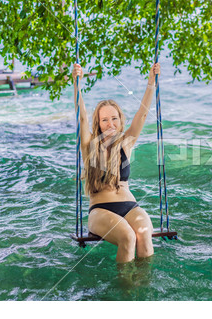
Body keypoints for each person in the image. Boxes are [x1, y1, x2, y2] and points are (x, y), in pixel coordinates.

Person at [72, 63, 160, 263]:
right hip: (101, 210)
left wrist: (151, 83)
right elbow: (82, 118)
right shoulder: (89, 146)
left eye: (114, 118)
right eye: (104, 120)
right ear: (98, 124)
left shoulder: (126, 143)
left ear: (121, 121)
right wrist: (77, 83)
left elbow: (142, 114)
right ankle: (125, 291)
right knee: (127, 237)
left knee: (144, 234)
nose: (110, 124)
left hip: (130, 206)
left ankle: (142, 287)